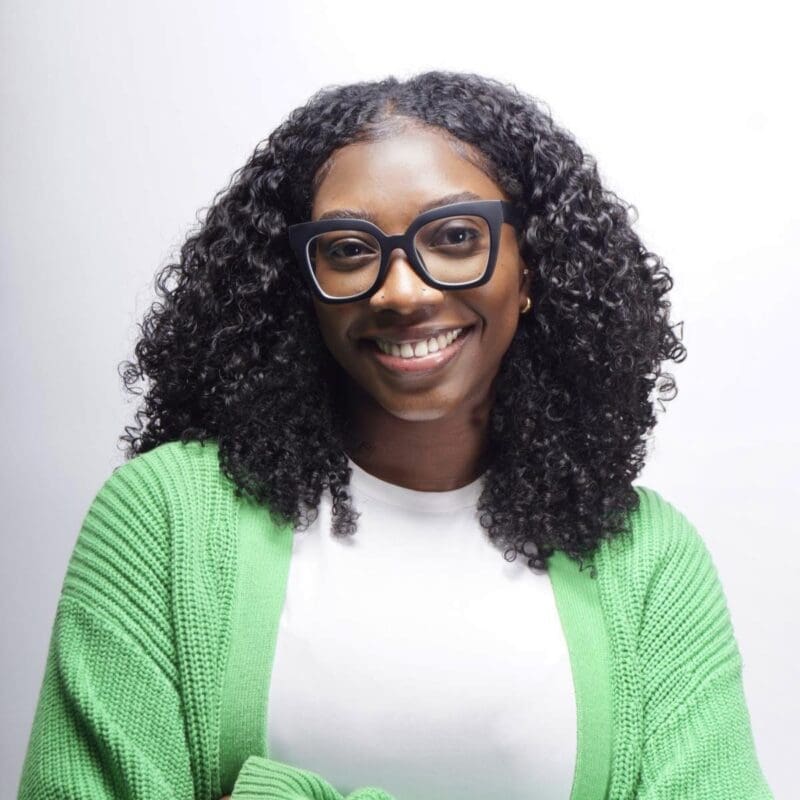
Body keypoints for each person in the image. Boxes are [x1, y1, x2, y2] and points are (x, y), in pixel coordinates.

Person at [18, 71, 773, 799]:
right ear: (299, 285)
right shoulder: (165, 519)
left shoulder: (645, 560)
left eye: (453, 236)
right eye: (347, 250)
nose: (401, 290)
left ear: (531, 265)